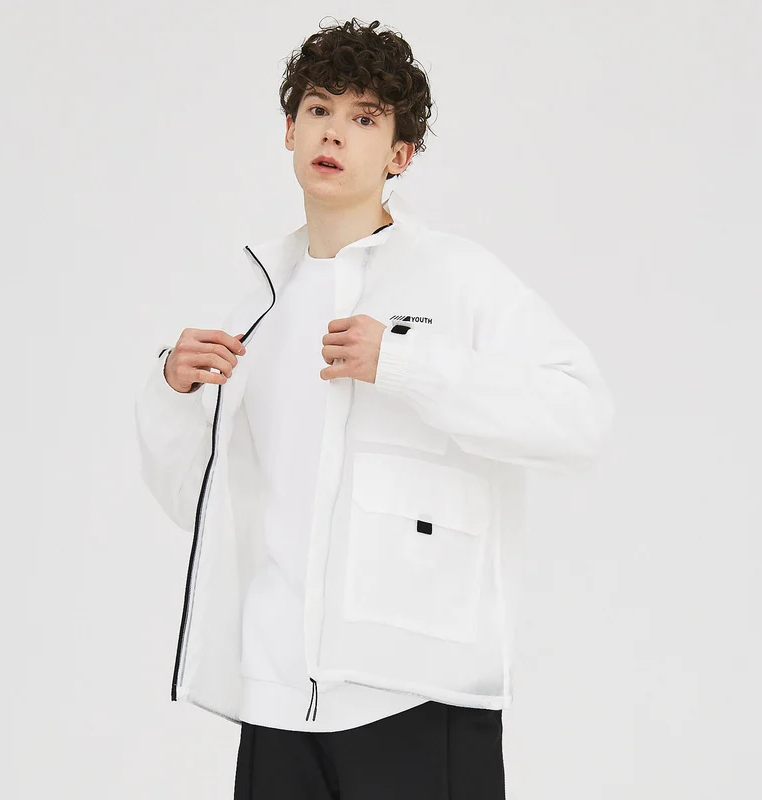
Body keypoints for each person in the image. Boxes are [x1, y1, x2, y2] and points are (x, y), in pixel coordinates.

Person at [134, 16, 615, 800]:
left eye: (364, 119)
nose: (334, 133)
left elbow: (581, 417)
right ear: (289, 131)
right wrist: (173, 395)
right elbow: (201, 504)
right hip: (277, 700)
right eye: (319, 110)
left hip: (415, 697)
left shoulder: (456, 277)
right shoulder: (258, 304)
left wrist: (407, 363)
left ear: (400, 155)